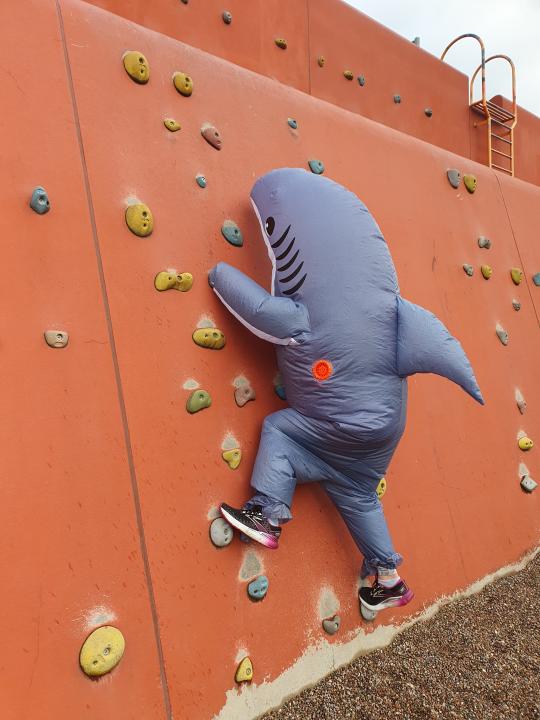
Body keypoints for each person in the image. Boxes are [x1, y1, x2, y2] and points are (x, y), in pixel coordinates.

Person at [209, 168, 483, 616]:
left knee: (280, 429)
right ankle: (389, 579)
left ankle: (268, 512)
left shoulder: (311, 308)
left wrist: (221, 274)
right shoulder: (386, 302)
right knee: (357, 492)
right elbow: (424, 336)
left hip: (344, 422)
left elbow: (265, 313)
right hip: (382, 430)